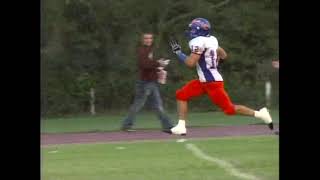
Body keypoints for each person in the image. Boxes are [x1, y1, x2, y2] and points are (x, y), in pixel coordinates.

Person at [168, 18, 274, 135]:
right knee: (181, 95)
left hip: (211, 83)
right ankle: (181, 126)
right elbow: (223, 54)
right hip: (205, 80)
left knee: (229, 109)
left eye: (192, 29)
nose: (190, 31)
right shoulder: (212, 39)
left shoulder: (197, 41)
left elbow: (190, 63)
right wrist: (216, 65)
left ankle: (261, 114)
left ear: (197, 30)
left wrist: (178, 53)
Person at [121, 32, 173, 133]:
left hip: (151, 82)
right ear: (142, 40)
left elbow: (150, 65)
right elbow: (144, 64)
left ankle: (167, 126)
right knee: (139, 105)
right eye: (146, 38)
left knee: (156, 105)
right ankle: (126, 125)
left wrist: (160, 65)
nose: (148, 40)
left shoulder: (150, 50)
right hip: (144, 82)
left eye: (150, 38)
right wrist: (159, 63)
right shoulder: (142, 50)